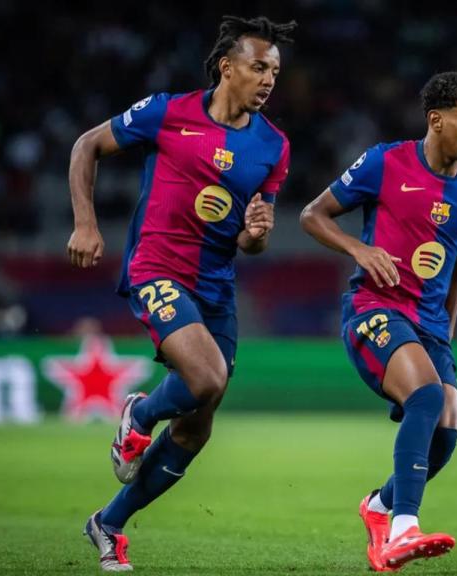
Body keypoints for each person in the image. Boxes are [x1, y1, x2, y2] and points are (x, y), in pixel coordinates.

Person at [67, 15, 294, 571]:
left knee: (198, 422)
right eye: (258, 67)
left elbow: (249, 242)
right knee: (206, 376)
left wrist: (258, 233)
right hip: (157, 268)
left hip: (216, 284)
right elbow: (86, 146)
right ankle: (140, 413)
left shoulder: (274, 146)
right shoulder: (167, 111)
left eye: (275, 72)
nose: (268, 80)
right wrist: (85, 224)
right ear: (227, 66)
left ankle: (109, 523)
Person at [300, 71, 457, 571]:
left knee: (447, 431)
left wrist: (446, 330)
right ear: (437, 120)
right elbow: (313, 215)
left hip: (430, 325)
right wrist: (360, 249)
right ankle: (402, 530)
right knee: (427, 397)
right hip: (375, 309)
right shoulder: (385, 162)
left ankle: (380, 506)